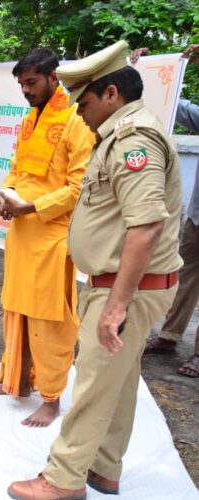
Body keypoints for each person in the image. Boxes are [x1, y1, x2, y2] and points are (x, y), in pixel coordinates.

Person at [8, 41, 183, 499]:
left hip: (127, 288)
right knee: (118, 384)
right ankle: (104, 469)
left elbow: (146, 227)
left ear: (110, 94)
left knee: (90, 386)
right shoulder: (120, 134)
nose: (78, 112)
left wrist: (116, 306)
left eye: (82, 102)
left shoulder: (134, 141)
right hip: (126, 284)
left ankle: (62, 480)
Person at [0, 49, 95, 427]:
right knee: (15, 308)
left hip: (52, 237)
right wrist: (5, 195)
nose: (25, 92)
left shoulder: (77, 121)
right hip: (21, 233)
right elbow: (17, 169)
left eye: (31, 83)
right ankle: (15, 379)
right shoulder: (29, 118)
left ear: (53, 78)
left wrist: (29, 208)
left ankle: (51, 396)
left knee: (50, 320)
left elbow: (77, 188)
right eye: (21, 85)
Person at [136, 44, 199, 379]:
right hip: (196, 217)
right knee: (185, 277)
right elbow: (175, 106)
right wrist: (148, 71)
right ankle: (169, 336)